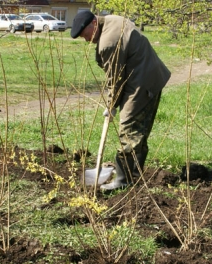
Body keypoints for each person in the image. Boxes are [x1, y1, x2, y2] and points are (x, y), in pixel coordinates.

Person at [71, 11, 171, 191]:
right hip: (149, 75)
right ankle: (133, 175)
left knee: (128, 131)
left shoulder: (108, 42)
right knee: (138, 131)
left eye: (86, 35)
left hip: (142, 83)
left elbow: (115, 79)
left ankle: (123, 181)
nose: (86, 40)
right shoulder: (112, 20)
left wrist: (111, 105)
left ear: (94, 23)